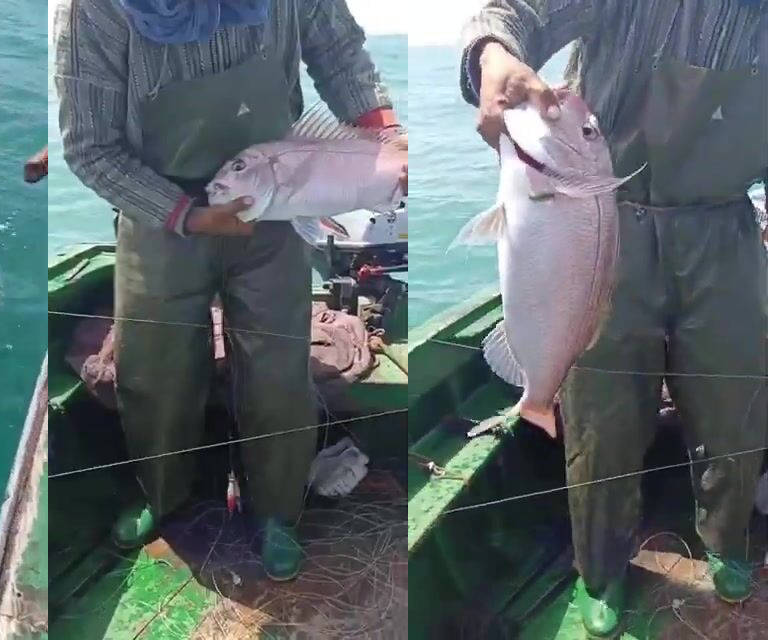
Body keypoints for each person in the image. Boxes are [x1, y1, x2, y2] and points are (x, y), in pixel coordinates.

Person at [52, 0, 403, 581]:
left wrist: (386, 138)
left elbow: (338, 49)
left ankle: (276, 513)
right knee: (153, 368)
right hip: (156, 211)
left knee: (277, 369)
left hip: (277, 201)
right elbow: (90, 147)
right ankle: (163, 495)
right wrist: (185, 214)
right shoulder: (94, 9)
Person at [460, 1, 767, 636]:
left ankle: (728, 541)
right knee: (602, 418)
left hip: (726, 234)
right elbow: (513, 12)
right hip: (604, 223)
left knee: (734, 405)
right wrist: (493, 55)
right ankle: (600, 570)